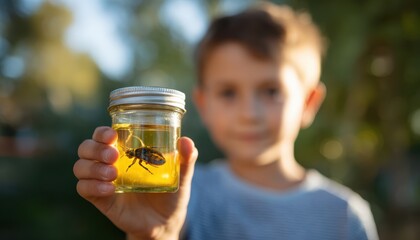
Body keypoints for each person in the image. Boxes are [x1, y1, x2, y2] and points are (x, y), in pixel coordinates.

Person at [73, 2, 379, 240]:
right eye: (228, 93)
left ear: (309, 103)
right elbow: (158, 229)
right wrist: (152, 234)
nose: (249, 113)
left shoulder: (344, 216)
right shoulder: (179, 192)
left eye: (271, 91)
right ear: (203, 105)